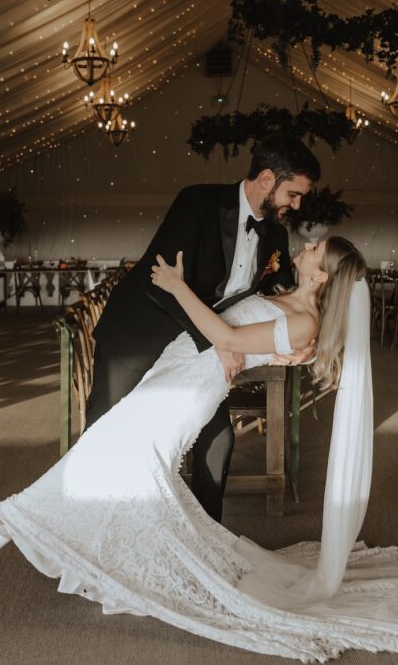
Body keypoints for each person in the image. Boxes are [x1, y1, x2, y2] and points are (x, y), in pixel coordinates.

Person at [0, 237, 398, 660]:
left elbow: (229, 337)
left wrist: (181, 291)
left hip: (189, 387)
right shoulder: (291, 302)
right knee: (119, 460)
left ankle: (11, 514)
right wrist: (240, 343)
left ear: (323, 276)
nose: (305, 244)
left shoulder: (305, 322)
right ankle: (57, 534)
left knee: (111, 452)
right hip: (180, 371)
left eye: (315, 248)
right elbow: (239, 332)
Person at [85, 133, 319, 522]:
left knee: (218, 440)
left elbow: (270, 292)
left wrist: (293, 337)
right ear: (266, 180)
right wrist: (218, 343)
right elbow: (157, 281)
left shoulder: (276, 234)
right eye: (293, 194)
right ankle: (85, 531)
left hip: (196, 350)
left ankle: (203, 541)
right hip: (138, 334)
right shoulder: (197, 202)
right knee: (107, 433)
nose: (296, 205)